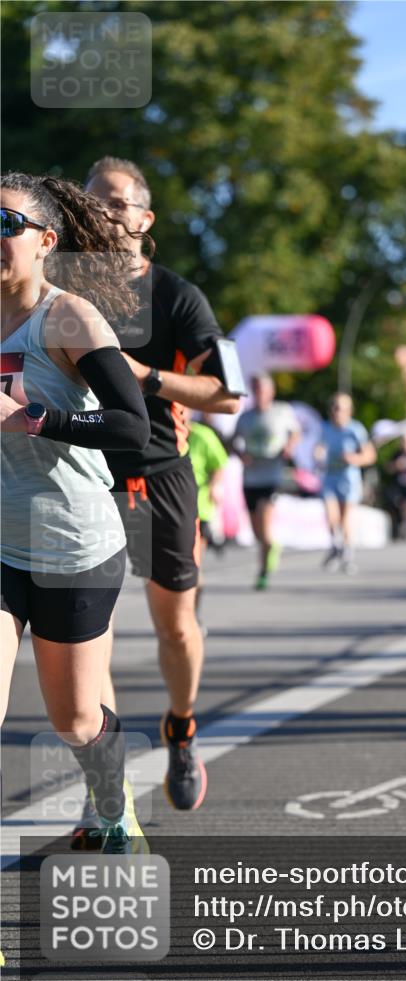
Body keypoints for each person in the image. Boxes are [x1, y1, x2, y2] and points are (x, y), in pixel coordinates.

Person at [84, 157, 241, 817]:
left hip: (157, 476)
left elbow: (226, 397)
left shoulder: (175, 296)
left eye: (118, 203)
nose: (105, 212)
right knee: (89, 628)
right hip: (82, 476)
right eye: (94, 201)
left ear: (145, 220)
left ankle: (181, 727)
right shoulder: (58, 292)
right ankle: (104, 775)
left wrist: (140, 374)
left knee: (174, 626)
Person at [1, 172, 151, 853]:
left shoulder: (68, 318)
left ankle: (113, 805)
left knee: (78, 720)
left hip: (72, 546)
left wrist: (34, 420)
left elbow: (130, 427)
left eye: (7, 226)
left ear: (45, 241)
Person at [233, 374, 300, 589]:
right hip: (250, 477)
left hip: (272, 476)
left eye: (263, 390)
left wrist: (289, 447)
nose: (260, 394)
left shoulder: (282, 411)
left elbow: (296, 433)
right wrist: (240, 453)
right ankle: (271, 547)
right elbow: (233, 441)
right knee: (256, 531)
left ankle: (263, 571)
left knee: (265, 524)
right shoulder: (246, 417)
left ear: (271, 392)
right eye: (256, 390)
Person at [317, 392, 376, 574]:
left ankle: (347, 555)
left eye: (341, 409)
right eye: (334, 408)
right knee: (330, 514)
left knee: (346, 518)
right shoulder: (325, 428)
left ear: (349, 411)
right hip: (330, 477)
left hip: (348, 479)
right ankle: (335, 544)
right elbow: (319, 448)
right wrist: (318, 456)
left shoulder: (355, 430)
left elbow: (369, 456)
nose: (337, 412)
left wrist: (354, 458)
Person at [186, 410, 229, 620]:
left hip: (199, 509)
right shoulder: (162, 435)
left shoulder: (202, 435)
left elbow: (220, 463)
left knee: (193, 563)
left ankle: (193, 615)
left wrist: (214, 484)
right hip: (171, 509)